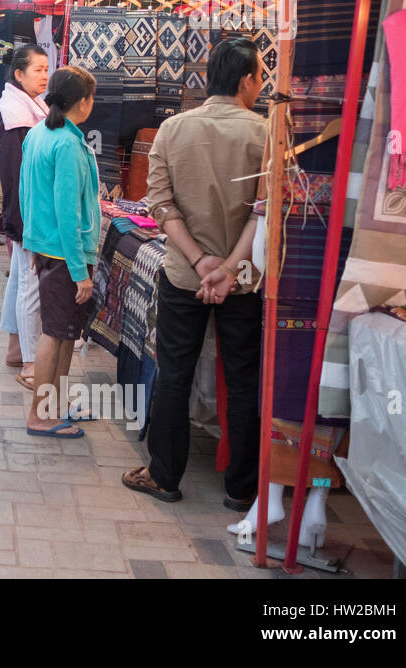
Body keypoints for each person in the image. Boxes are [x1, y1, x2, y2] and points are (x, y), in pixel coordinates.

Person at [123, 39, 268, 508]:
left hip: (184, 275)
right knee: (244, 379)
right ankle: (242, 489)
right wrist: (226, 268)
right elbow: (263, 214)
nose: (261, 82)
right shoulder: (266, 134)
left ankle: (164, 476)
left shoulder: (172, 129)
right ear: (246, 80)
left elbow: (160, 205)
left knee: (174, 373)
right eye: (260, 74)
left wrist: (200, 262)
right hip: (243, 279)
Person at [19, 66, 100, 439]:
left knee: (65, 331)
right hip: (64, 251)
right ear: (82, 102)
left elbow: (26, 194)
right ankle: (40, 414)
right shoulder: (66, 143)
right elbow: (68, 213)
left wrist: (35, 242)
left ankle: (54, 405)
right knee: (55, 332)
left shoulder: (39, 134)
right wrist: (79, 269)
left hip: (46, 246)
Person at [0, 45, 50, 378]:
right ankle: (30, 361)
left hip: (26, 212)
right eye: (38, 69)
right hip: (28, 213)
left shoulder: (29, 108)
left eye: (46, 69)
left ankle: (17, 350)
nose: (44, 76)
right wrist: (23, 221)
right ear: (19, 74)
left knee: (20, 281)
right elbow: (14, 174)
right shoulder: (15, 115)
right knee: (30, 285)